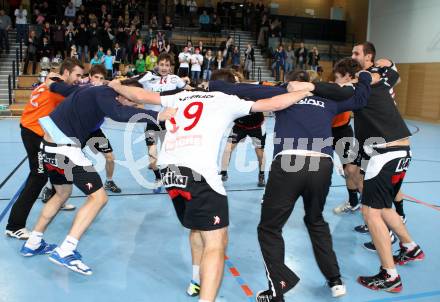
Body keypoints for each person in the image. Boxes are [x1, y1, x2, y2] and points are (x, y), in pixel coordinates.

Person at [108, 68, 312, 302]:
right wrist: (305, 91)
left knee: (198, 227)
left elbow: (140, 96)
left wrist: (116, 86)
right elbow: (274, 104)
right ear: (230, 84)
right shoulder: (226, 99)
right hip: (199, 170)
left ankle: (196, 281)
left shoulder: (181, 95)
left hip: (169, 169)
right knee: (217, 242)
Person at [209, 62, 373, 301]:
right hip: (322, 162)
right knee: (316, 220)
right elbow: (360, 99)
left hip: (289, 161)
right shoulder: (329, 99)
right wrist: (365, 78)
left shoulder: (282, 92)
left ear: (290, 81)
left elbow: (230, 88)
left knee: (270, 227)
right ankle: (335, 280)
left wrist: (211, 84)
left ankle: (278, 287)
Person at [20, 77, 176, 276]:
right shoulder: (105, 93)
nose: (133, 104)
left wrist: (50, 83)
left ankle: (33, 242)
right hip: (65, 149)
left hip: (48, 146)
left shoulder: (89, 90)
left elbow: (63, 88)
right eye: (133, 100)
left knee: (61, 194)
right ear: (124, 92)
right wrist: (158, 114)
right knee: (99, 198)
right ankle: (66, 250)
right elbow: (119, 113)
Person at [310, 42, 425, 292]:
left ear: (349, 77)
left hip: (385, 153)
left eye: (340, 79)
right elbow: (392, 71)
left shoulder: (355, 87)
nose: (339, 83)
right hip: (400, 149)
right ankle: (410, 247)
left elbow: (327, 90)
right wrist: (387, 64)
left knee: (370, 212)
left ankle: (389, 275)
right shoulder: (381, 81)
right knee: (382, 207)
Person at [5, 58, 84, 240]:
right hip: (34, 133)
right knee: (38, 176)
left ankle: (57, 197)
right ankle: (14, 225)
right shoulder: (58, 90)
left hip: (33, 129)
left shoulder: (50, 83)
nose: (79, 79)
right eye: (77, 75)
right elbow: (79, 97)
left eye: (82, 76)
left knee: (58, 162)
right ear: (65, 73)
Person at [138, 53, 190, 193]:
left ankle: (172, 175)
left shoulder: (175, 79)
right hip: (151, 121)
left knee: (170, 153)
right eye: (161, 64)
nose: (164, 67)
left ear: (171, 67)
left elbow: (189, 91)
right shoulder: (148, 77)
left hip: (168, 122)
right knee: (152, 157)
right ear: (157, 64)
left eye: (167, 65)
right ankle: (158, 177)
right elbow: (132, 83)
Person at [220, 71, 266, 187]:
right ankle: (223, 173)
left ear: (240, 81)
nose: (234, 82)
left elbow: (262, 83)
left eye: (236, 80)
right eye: (232, 81)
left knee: (260, 153)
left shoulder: (249, 88)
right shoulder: (227, 93)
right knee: (227, 149)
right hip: (240, 126)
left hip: (257, 126)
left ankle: (261, 175)